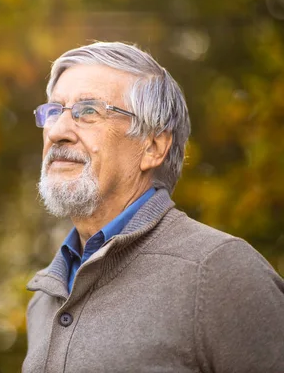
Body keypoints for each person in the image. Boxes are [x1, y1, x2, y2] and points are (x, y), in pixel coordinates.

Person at [23, 42, 284, 373]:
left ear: (153, 146)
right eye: (54, 111)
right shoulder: (44, 299)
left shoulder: (218, 272)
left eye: (88, 111)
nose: (58, 131)